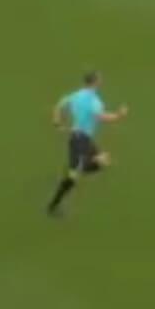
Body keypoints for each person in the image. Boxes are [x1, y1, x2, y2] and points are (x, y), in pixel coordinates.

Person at [47, 71, 126, 217]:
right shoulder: (95, 101)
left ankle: (54, 203)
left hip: (81, 139)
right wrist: (119, 115)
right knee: (81, 170)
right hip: (80, 140)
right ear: (95, 82)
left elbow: (59, 105)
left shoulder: (75, 95)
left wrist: (57, 122)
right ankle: (53, 206)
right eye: (100, 80)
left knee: (101, 162)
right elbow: (102, 117)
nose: (101, 82)